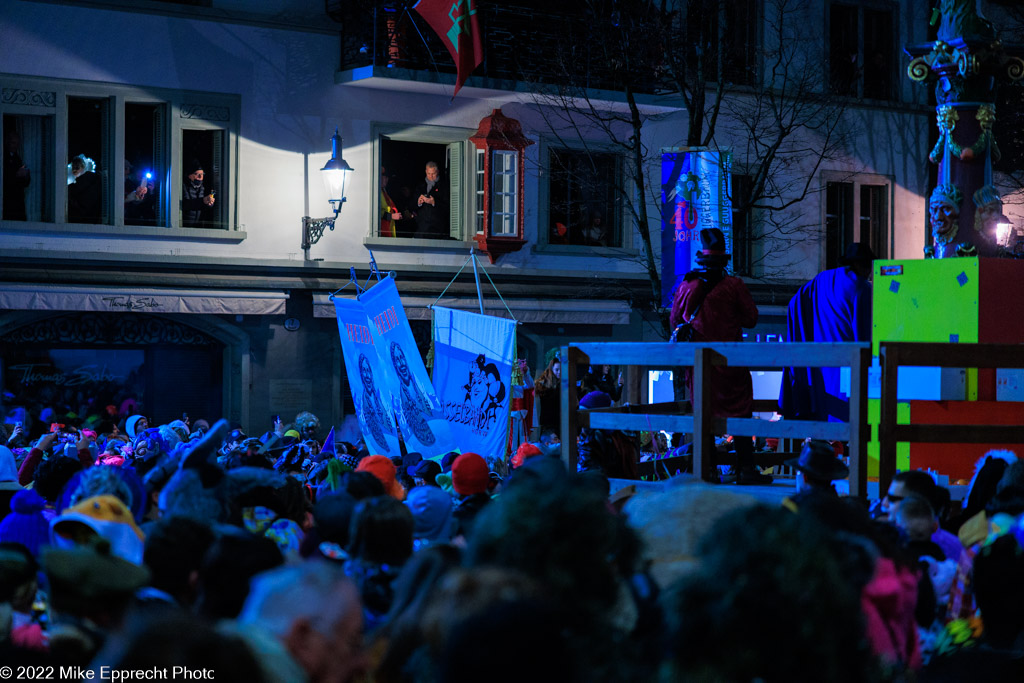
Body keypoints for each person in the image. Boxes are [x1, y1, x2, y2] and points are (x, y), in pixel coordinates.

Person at [669, 227, 763, 484]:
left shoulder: (686, 285)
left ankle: (708, 471)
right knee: (741, 413)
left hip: (700, 367)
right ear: (723, 261)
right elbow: (751, 319)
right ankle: (745, 469)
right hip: (731, 363)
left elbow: (675, 320)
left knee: (703, 415)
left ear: (701, 258)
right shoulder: (733, 285)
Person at [779, 241, 875, 422]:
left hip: (818, 369)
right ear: (862, 265)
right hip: (847, 370)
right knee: (852, 425)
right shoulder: (862, 288)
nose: (869, 272)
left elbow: (795, 303)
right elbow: (865, 335)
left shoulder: (822, 279)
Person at [412, 161, 447, 239]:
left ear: (437, 172)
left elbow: (448, 206)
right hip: (422, 228)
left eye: (433, 174)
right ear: (425, 172)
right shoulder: (420, 186)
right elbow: (412, 205)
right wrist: (418, 202)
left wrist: (434, 202)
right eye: (429, 174)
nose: (431, 176)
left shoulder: (444, 186)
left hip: (438, 230)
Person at [3, 127, 30, 221]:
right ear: (7, 142)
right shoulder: (3, 157)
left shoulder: (18, 158)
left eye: (17, 144)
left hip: (17, 200)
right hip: (7, 201)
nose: (15, 146)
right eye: (13, 143)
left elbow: (25, 183)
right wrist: (16, 175)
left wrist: (25, 175)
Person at [68, 154, 101, 223]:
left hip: (84, 218)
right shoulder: (88, 180)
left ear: (83, 167)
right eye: (73, 167)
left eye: (77, 167)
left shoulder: (87, 181)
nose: (74, 170)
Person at [181, 159, 214, 227]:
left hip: (198, 227)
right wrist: (203, 201)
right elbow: (185, 204)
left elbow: (206, 209)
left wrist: (209, 203)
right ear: (189, 175)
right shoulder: (183, 186)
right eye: (197, 174)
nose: (200, 177)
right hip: (184, 227)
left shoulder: (203, 187)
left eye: (202, 174)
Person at [380, 166, 404, 238]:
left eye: (387, 178)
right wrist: (392, 216)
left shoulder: (384, 192)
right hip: (381, 234)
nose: (387, 180)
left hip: (387, 233)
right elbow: (375, 212)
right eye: (385, 177)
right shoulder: (376, 192)